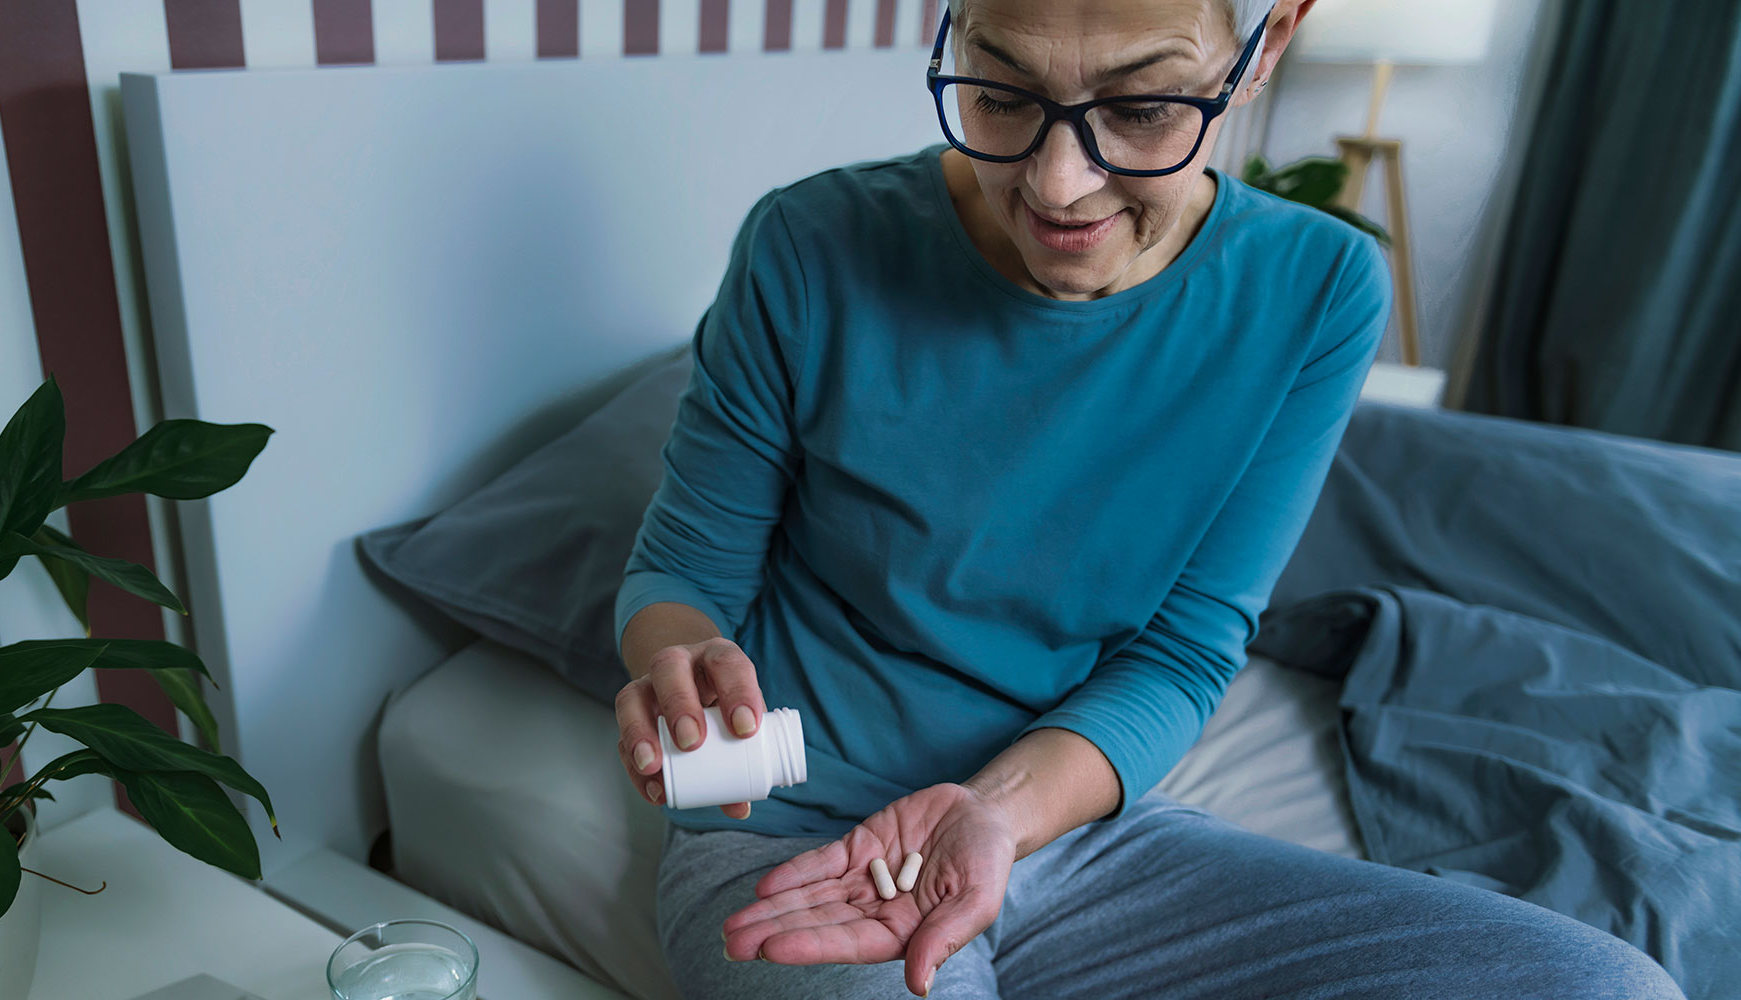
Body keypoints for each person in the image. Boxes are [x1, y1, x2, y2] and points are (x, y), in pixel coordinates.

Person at [610, 0, 1686, 996]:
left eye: (1139, 109)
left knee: (1607, 986)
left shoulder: (1316, 288)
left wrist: (994, 813)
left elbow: (1181, 648)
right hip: (799, 847)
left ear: (1263, 48)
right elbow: (684, 574)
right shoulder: (808, 247)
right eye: (999, 92)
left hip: (1068, 830)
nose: (1055, 184)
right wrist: (674, 662)